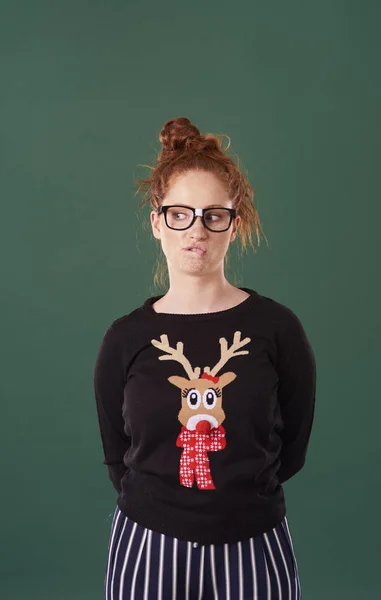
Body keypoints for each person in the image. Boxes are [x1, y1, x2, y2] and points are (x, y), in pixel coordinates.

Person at [93, 117, 317, 600]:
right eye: (180, 214)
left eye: (214, 214)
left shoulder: (277, 329)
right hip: (147, 543)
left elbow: (291, 446)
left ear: (233, 225)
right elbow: (118, 454)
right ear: (158, 222)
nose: (197, 229)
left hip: (254, 542)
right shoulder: (125, 338)